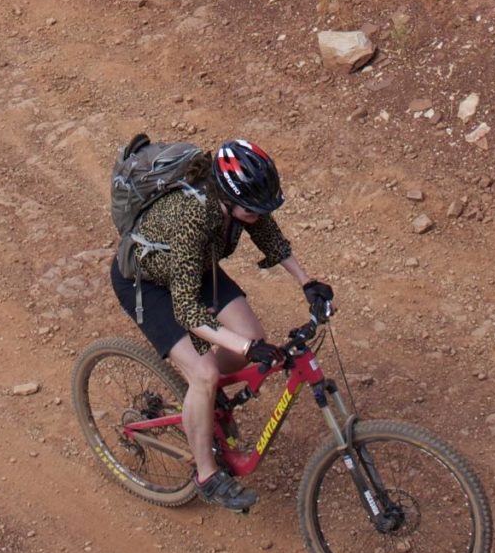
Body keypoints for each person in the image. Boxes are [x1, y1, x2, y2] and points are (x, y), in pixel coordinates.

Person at [111, 139, 332, 512]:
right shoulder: (192, 216)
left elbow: (271, 240)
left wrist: (307, 282)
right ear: (228, 200)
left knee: (252, 336)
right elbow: (187, 311)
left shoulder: (242, 204)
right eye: (253, 210)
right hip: (148, 285)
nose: (259, 216)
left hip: (197, 266)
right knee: (206, 372)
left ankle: (204, 406)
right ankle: (207, 475)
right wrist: (245, 351)